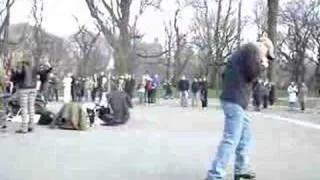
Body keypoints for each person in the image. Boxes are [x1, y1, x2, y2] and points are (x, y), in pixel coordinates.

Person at [205, 34, 275, 180]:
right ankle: (215, 174)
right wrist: (262, 65)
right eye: (267, 55)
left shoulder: (244, 53)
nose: (267, 59)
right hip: (235, 100)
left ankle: (241, 168)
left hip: (236, 99)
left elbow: (234, 76)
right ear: (264, 47)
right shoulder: (252, 49)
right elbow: (251, 74)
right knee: (231, 138)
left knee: (245, 135)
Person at [11, 58, 38, 134]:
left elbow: (16, 77)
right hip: (33, 88)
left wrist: (14, 72)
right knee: (31, 107)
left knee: (24, 108)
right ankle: (31, 126)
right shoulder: (34, 67)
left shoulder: (22, 67)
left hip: (24, 88)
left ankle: (24, 128)